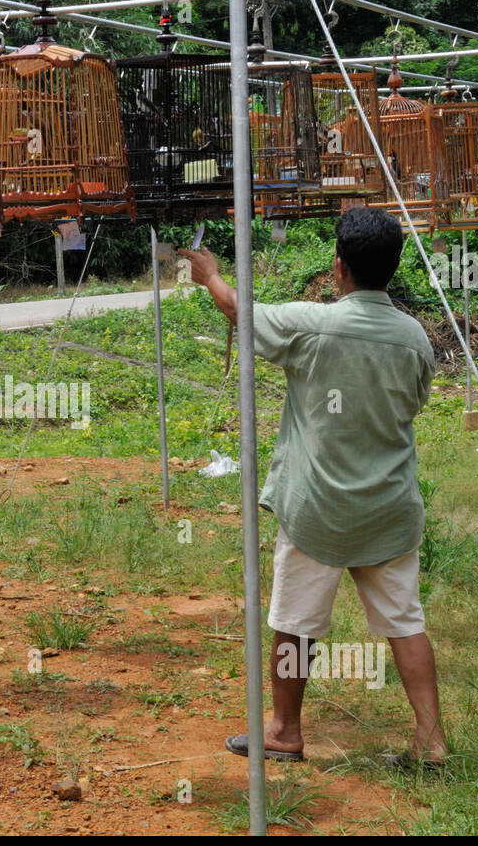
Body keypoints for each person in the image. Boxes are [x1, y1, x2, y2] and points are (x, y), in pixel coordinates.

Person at [179, 206, 447, 770]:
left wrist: (208, 274)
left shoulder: (312, 326)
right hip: (389, 506)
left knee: (295, 623)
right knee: (405, 621)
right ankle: (431, 737)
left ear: (338, 266)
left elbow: (237, 309)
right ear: (392, 268)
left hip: (318, 508)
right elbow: (414, 405)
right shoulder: (415, 339)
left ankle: (283, 730)